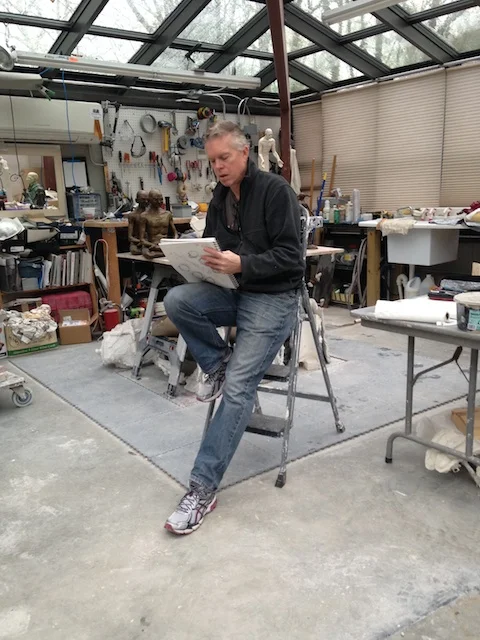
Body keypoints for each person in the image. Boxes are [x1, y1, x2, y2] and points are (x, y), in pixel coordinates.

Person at [163, 121, 304, 535]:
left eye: (224, 158)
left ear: (245, 152)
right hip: (236, 291)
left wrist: (242, 263)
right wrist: (196, 260)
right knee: (178, 300)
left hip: (274, 298)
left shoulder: (276, 191)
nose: (218, 167)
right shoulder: (221, 197)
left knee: (239, 389)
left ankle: (202, 488)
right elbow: (213, 247)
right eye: (212, 161)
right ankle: (218, 363)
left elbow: (292, 258)